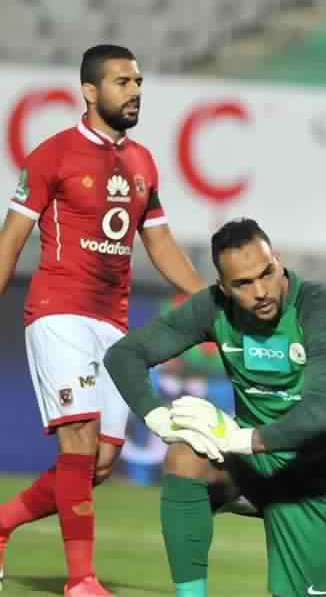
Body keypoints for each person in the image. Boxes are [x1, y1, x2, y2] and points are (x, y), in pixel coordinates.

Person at [0, 44, 205, 597]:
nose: (134, 91)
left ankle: (0, 525)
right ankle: (81, 580)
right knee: (80, 440)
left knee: (102, 460)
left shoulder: (143, 162)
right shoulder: (53, 154)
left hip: (113, 323)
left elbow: (158, 242)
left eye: (137, 81)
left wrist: (208, 297)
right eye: (121, 82)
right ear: (90, 92)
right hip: (57, 310)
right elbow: (11, 240)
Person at [103, 218, 326, 597]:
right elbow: (125, 354)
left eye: (266, 273)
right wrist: (158, 419)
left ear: (277, 260)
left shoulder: (322, 310)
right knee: (185, 456)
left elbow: (321, 414)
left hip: (314, 485)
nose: (260, 291)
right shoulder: (213, 308)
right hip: (254, 468)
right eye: (243, 283)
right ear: (224, 288)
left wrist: (237, 438)